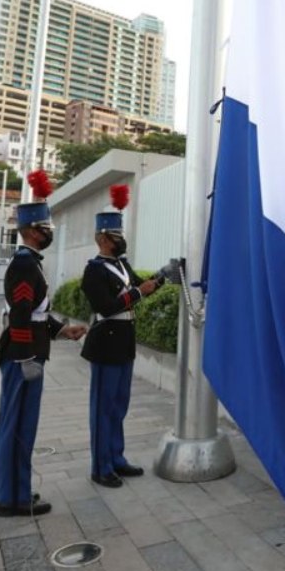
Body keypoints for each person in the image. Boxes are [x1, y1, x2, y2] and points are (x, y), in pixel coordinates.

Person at [0, 171, 87, 517]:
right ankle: (13, 498)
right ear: (33, 230)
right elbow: (19, 316)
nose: (48, 234)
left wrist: (62, 330)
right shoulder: (24, 265)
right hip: (22, 357)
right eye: (46, 228)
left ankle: (5, 492)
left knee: (12, 425)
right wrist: (28, 357)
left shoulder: (30, 264)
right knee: (18, 428)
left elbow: (36, 314)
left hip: (24, 352)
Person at [80, 184, 161, 489]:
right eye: (116, 236)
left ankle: (116, 457)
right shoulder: (94, 271)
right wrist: (140, 291)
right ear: (102, 239)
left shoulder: (122, 265)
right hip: (106, 341)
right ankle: (100, 467)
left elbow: (141, 287)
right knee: (103, 407)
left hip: (124, 339)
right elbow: (106, 305)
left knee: (119, 404)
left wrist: (163, 276)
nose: (120, 240)